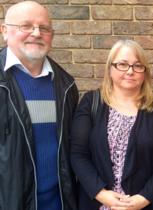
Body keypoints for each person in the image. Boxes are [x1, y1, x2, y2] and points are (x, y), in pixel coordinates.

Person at [70, 39, 153, 210]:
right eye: (122, 64)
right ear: (110, 69)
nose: (130, 71)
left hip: (144, 205)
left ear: (144, 73)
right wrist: (101, 194)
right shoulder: (91, 102)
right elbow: (78, 154)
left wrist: (145, 197)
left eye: (137, 66)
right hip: (97, 203)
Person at [0, 1, 79, 210]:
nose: (36, 33)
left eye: (44, 28)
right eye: (25, 26)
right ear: (4, 31)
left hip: (59, 203)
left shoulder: (66, 85)